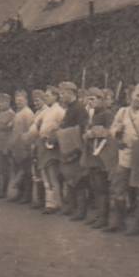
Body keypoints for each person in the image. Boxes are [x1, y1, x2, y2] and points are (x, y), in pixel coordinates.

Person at [108, 83, 139, 234]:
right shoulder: (122, 112)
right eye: (138, 95)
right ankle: (119, 222)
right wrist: (117, 132)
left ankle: (138, 225)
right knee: (119, 187)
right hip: (125, 154)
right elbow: (112, 129)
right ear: (131, 95)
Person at [82, 87, 115, 229]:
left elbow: (111, 132)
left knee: (102, 187)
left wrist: (94, 132)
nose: (90, 102)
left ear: (101, 100)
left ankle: (104, 218)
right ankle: (98, 215)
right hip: (92, 155)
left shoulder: (108, 114)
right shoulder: (92, 114)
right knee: (95, 186)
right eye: (89, 99)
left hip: (102, 156)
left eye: (93, 99)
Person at [57, 81, 89, 218]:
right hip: (68, 147)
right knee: (70, 178)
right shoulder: (71, 108)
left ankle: (81, 211)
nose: (61, 96)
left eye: (63, 93)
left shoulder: (79, 108)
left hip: (76, 148)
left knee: (79, 180)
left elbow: (82, 129)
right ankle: (72, 206)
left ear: (71, 93)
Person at [36, 85, 66, 214]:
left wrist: (53, 135)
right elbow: (38, 123)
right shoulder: (46, 111)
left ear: (55, 96)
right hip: (43, 144)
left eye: (48, 96)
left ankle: (56, 204)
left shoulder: (59, 111)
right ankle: (49, 202)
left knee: (52, 175)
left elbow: (62, 127)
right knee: (45, 175)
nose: (46, 98)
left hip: (52, 146)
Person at [8, 89, 35, 203]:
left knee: (26, 172)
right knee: (18, 170)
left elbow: (30, 131)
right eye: (16, 100)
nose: (18, 102)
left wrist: (27, 146)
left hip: (24, 147)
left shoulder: (28, 113)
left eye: (20, 100)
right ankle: (20, 193)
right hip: (16, 147)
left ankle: (27, 196)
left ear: (26, 100)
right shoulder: (18, 113)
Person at [27, 89, 47, 209]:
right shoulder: (37, 111)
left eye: (38, 100)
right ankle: (39, 199)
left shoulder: (45, 112)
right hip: (35, 144)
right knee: (36, 172)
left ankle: (43, 200)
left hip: (41, 144)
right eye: (34, 101)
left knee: (41, 171)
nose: (36, 103)